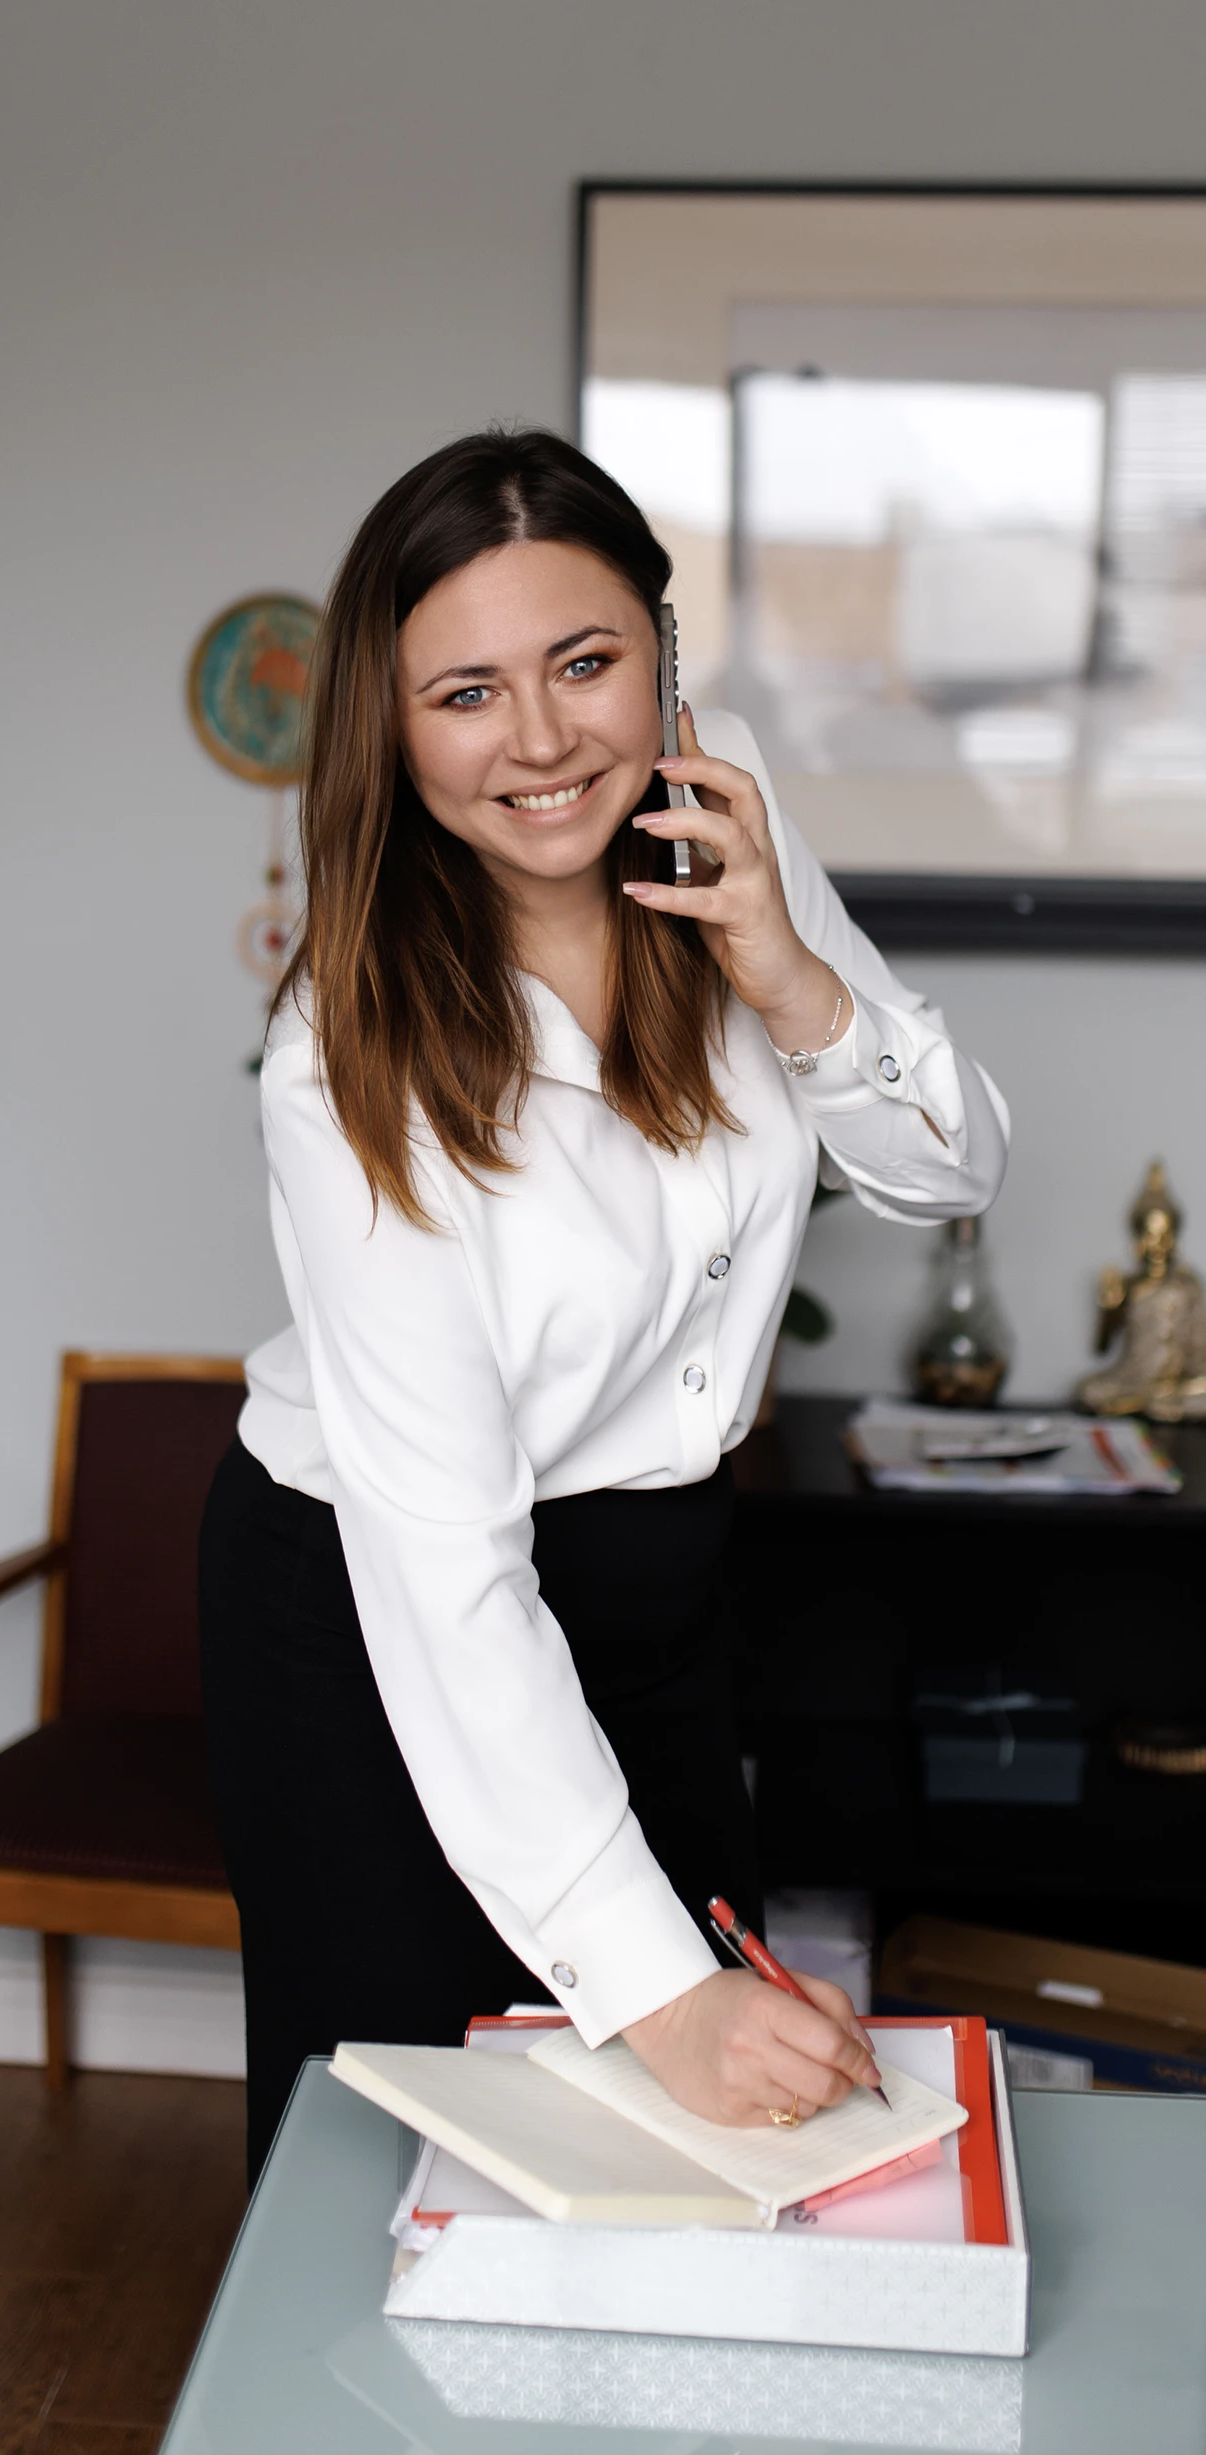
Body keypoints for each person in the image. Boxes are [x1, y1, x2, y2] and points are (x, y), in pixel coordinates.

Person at [199, 428, 1009, 2184]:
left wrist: (785, 970)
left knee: (697, 2153)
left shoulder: (731, 827)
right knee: (410, 2149)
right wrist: (658, 1995)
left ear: (660, 651)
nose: (543, 739)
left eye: (584, 663)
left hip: (657, 1589)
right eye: (465, 693)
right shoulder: (345, 1053)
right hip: (374, 1608)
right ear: (392, 725)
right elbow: (445, 1569)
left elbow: (947, 1173)